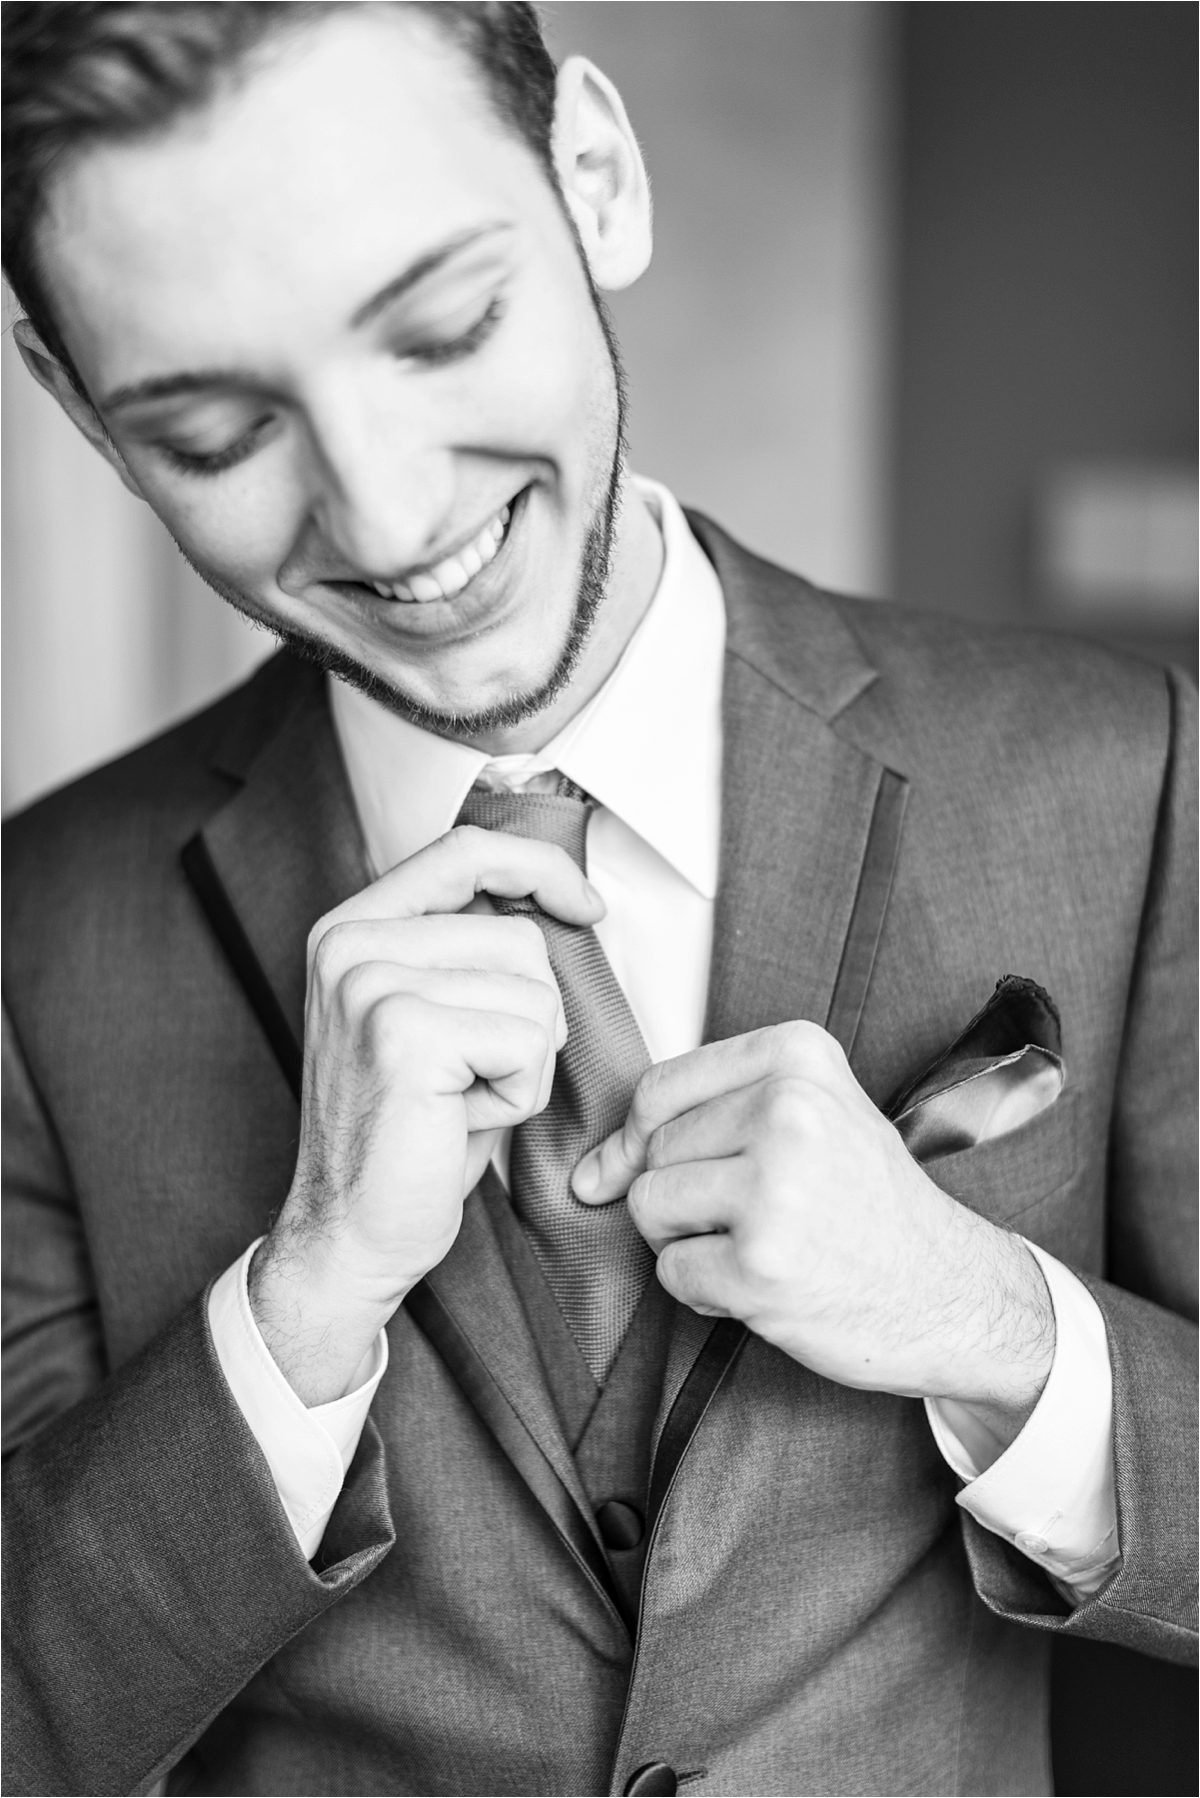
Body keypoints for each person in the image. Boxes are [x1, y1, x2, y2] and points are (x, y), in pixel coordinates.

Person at [2, 4, 1195, 1794]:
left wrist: (991, 1322)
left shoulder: (1123, 774)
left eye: (445, 325)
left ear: (599, 177)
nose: (391, 518)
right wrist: (305, 1294)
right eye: (214, 431)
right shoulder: (35, 936)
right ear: (78, 403)